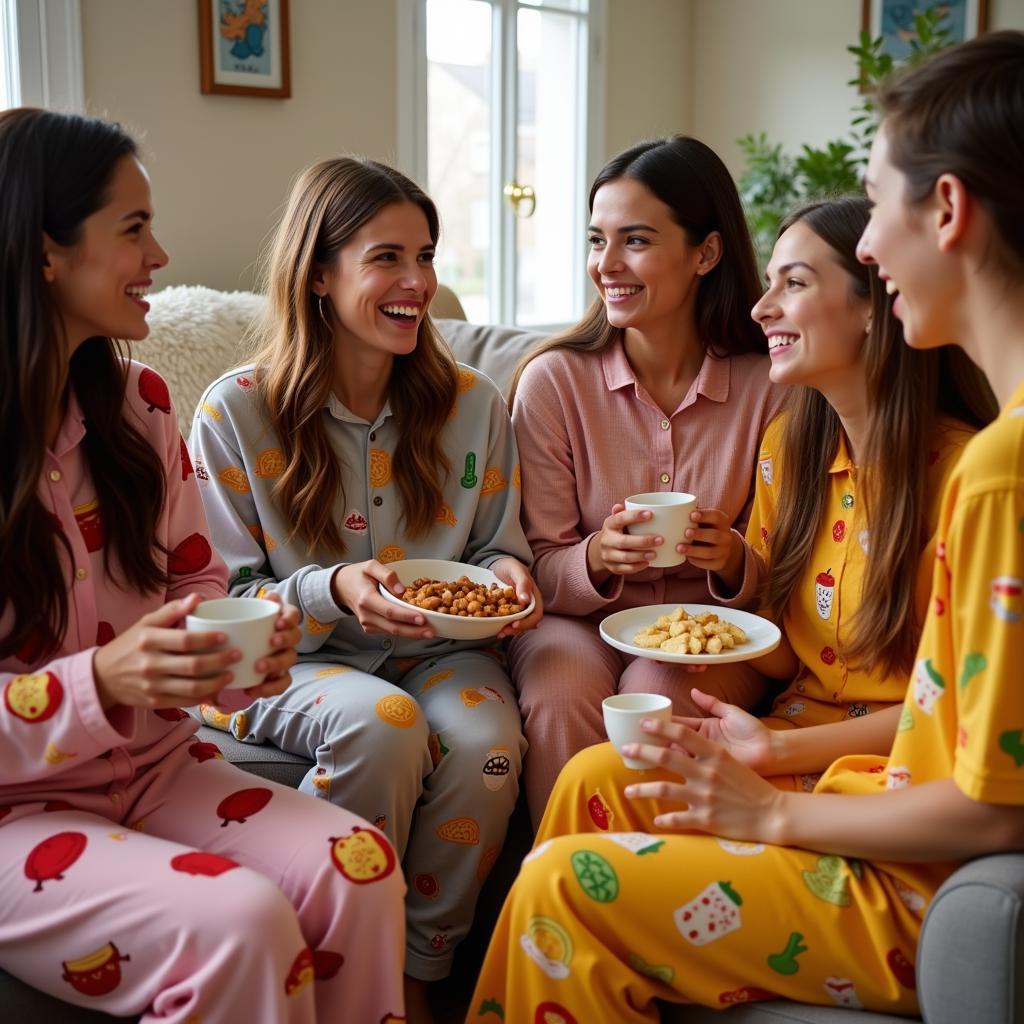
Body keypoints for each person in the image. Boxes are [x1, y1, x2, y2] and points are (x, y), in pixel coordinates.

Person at [469, 31, 1024, 1022]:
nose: (865, 242)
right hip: (858, 790)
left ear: (945, 211)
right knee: (597, 770)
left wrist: (771, 796)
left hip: (904, 868)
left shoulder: (984, 473)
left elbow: (988, 792)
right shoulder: (798, 444)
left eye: (871, 201)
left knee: (560, 882)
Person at [0, 109, 405, 1024]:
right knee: (243, 920)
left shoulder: (140, 405)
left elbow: (195, 581)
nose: (161, 255)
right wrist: (96, 682)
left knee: (361, 866)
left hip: (155, 768)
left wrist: (236, 651)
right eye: (133, 229)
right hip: (16, 813)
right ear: (45, 252)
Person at [189, 157, 541, 1018]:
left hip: (433, 653)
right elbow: (219, 603)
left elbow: (498, 545)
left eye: (426, 256)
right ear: (319, 271)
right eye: (388, 257)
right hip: (281, 661)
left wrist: (509, 578)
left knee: (488, 744)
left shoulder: (474, 404)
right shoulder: (233, 414)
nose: (417, 283)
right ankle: (337, 970)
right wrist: (331, 589)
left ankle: (418, 978)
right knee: (381, 728)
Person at [538, 193, 995, 821]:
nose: (760, 307)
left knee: (576, 860)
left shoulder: (964, 477)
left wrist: (775, 748)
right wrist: (726, 608)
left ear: (877, 303)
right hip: (786, 733)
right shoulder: (792, 449)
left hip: (894, 770)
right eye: (769, 281)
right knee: (594, 774)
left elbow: (954, 714)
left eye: (795, 283)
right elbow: (780, 646)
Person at [509, 135, 788, 826]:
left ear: (706, 253)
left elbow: (800, 566)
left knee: (660, 684)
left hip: (716, 627)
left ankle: (653, 889)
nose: (606, 265)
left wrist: (735, 561)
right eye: (596, 240)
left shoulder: (772, 386)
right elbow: (531, 561)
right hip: (576, 621)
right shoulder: (554, 382)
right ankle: (566, 883)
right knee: (559, 689)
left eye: (634, 240)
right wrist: (594, 559)